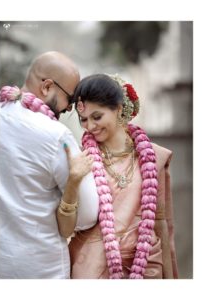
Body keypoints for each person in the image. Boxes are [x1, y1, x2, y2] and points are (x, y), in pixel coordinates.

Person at [0, 51, 99, 279]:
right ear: (46, 87)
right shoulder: (56, 136)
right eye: (70, 100)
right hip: (41, 271)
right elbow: (88, 214)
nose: (68, 109)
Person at [69, 73, 179, 279]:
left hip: (146, 264)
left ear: (118, 109)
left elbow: (161, 222)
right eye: (83, 120)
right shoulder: (82, 160)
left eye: (97, 116)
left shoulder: (154, 157)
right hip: (93, 266)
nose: (90, 127)